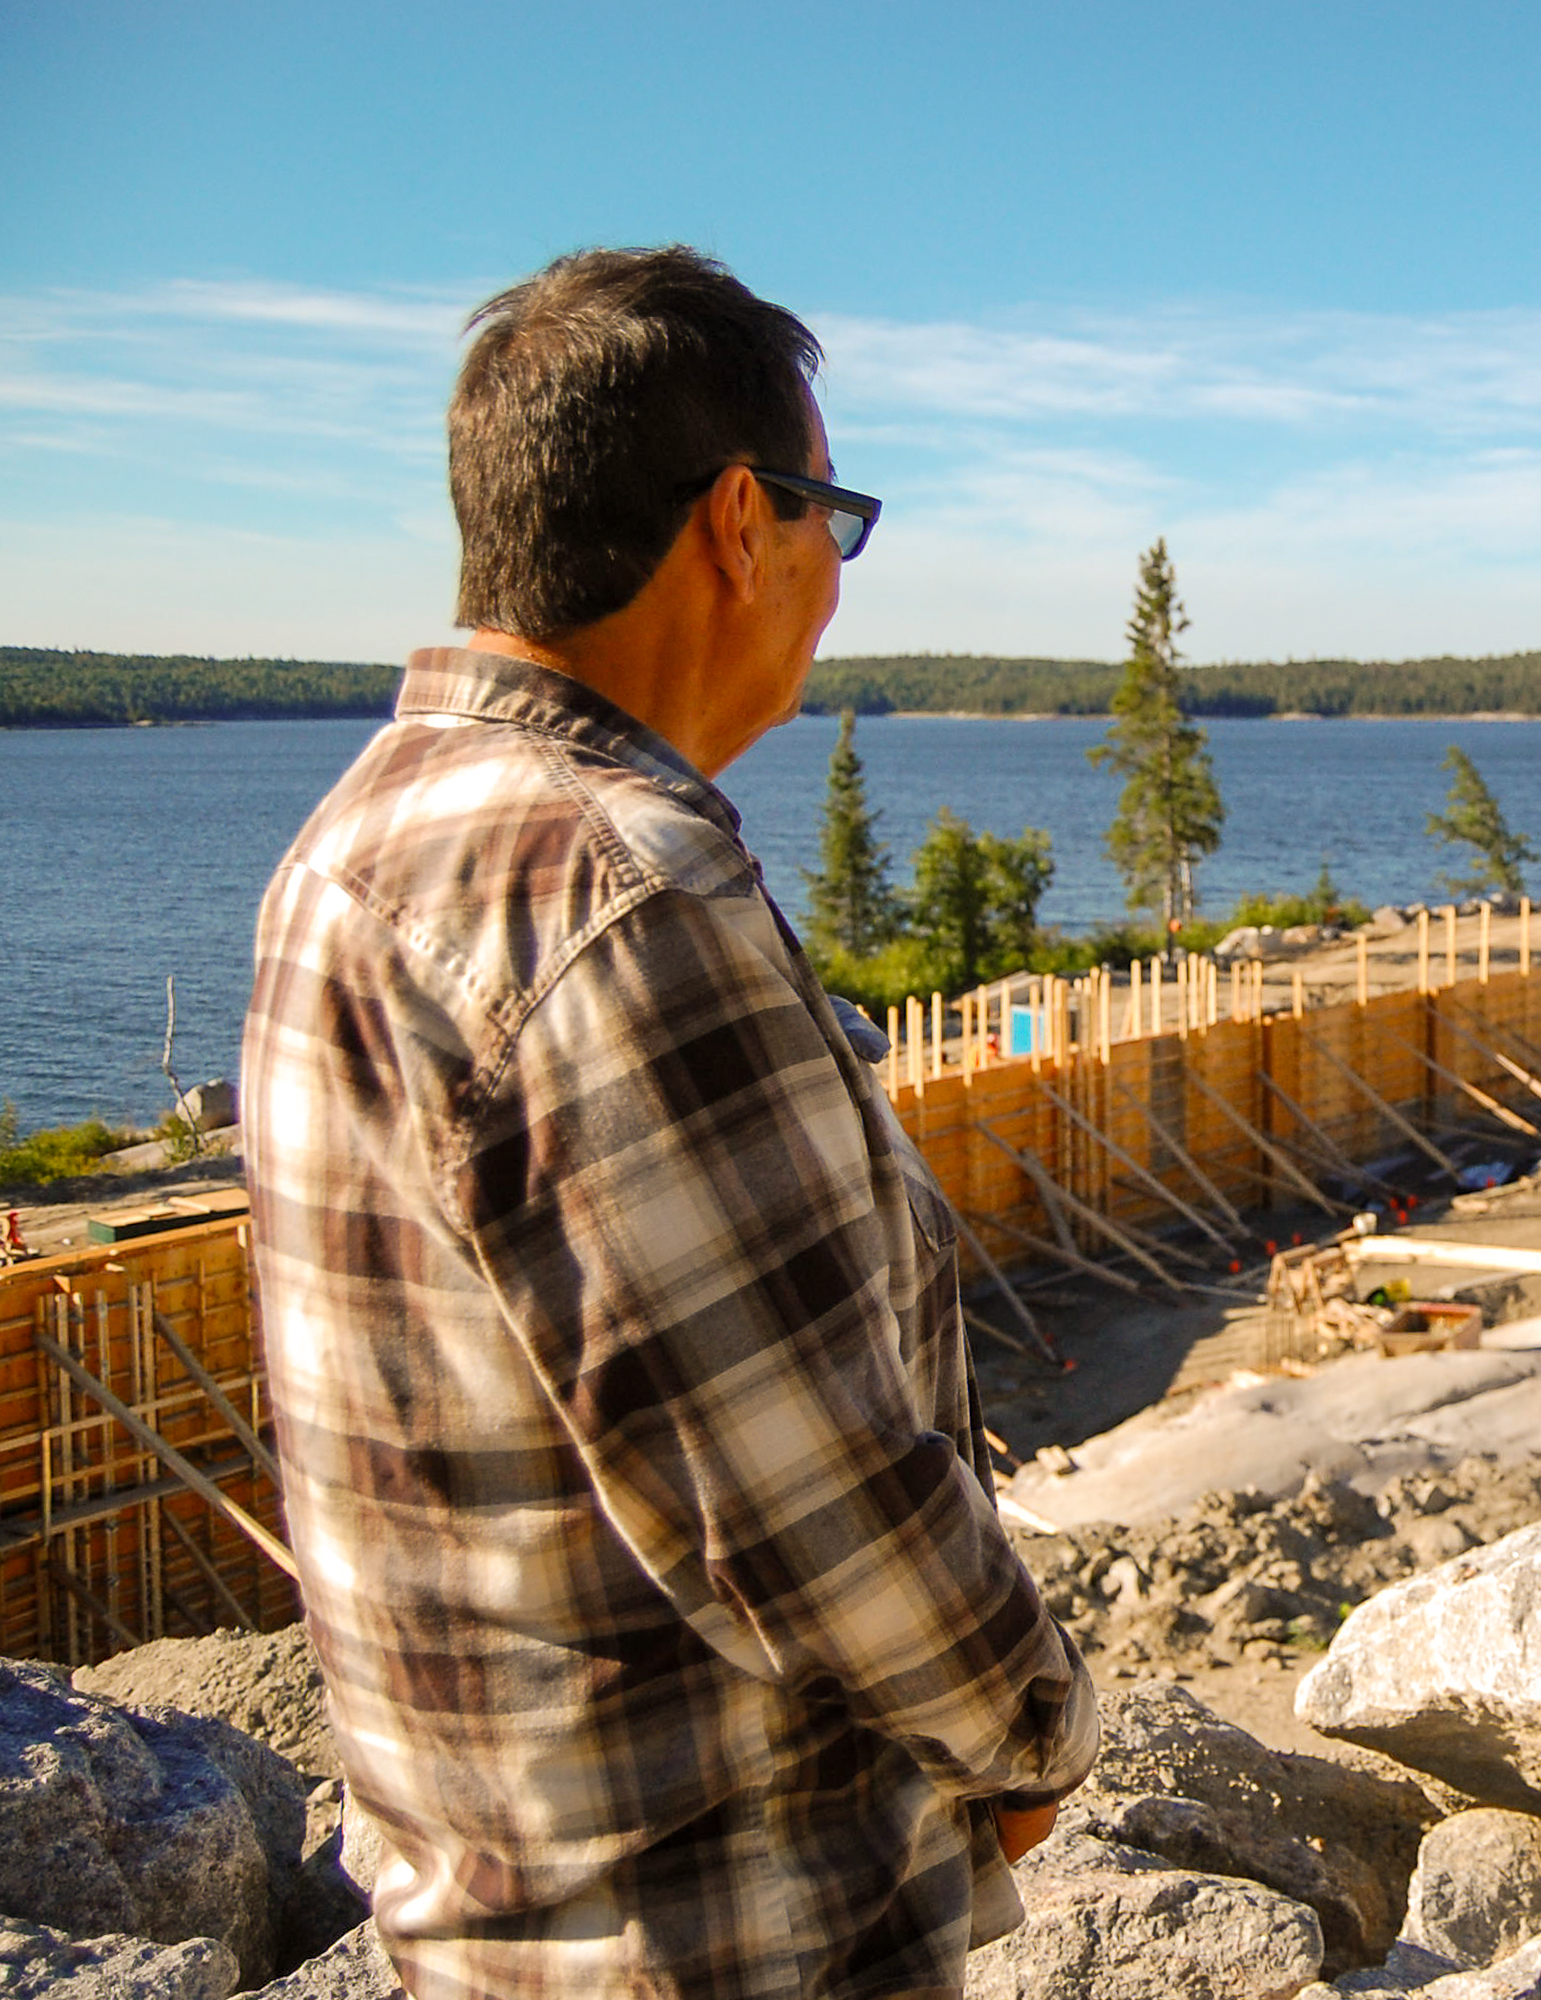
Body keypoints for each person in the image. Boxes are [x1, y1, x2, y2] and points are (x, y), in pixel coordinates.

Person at [242, 246, 1094, 2000]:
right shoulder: (618, 892)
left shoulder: (353, 842)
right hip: (729, 1939)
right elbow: (808, 1500)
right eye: (833, 525)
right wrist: (1032, 1736)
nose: (831, 584)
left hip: (498, 1914)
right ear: (734, 523)